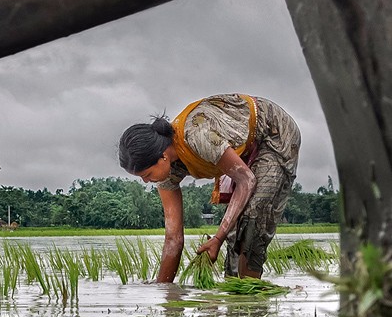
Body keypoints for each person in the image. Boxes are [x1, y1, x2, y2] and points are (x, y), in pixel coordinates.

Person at [118, 93, 301, 282]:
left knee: (253, 220)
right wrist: (164, 289)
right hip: (243, 145)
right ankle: (235, 293)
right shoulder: (166, 175)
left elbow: (247, 180)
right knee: (234, 232)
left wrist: (217, 238)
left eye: (147, 175)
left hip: (273, 133)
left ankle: (249, 299)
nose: (147, 182)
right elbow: (173, 239)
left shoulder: (197, 136)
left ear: (163, 156)